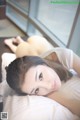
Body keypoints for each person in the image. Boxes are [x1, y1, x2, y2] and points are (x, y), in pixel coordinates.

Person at [4, 36, 80, 117]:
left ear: (43, 63)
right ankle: (11, 44)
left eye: (40, 76)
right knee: (19, 51)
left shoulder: (62, 55)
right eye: (36, 90)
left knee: (29, 49)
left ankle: (20, 40)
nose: (48, 87)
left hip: (39, 52)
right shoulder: (46, 91)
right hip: (29, 58)